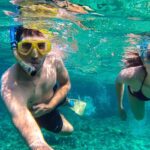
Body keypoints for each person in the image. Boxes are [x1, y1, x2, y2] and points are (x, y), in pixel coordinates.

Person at [1, 26, 74, 150]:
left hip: (52, 97)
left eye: (41, 46)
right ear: (17, 50)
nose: (35, 55)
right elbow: (20, 115)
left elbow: (65, 84)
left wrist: (51, 105)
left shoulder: (54, 60)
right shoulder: (10, 84)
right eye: (26, 47)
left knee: (61, 96)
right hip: (38, 113)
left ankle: (65, 101)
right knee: (69, 130)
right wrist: (38, 143)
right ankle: (58, 107)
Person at [116, 34, 150, 121]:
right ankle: (130, 88)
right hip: (137, 91)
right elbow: (118, 81)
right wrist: (120, 106)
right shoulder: (132, 76)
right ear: (145, 63)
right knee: (139, 117)